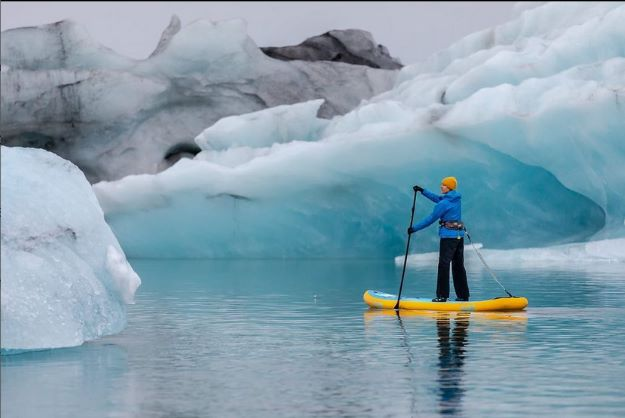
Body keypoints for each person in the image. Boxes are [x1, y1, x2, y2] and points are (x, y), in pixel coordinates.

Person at [408, 177, 470, 302]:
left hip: (448, 237)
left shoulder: (444, 203)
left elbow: (430, 219)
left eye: (444, 185)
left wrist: (414, 228)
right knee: (458, 265)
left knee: (444, 265)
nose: (441, 186)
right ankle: (463, 295)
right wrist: (423, 191)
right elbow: (438, 198)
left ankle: (442, 296)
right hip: (459, 237)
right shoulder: (455, 199)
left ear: (449, 187)